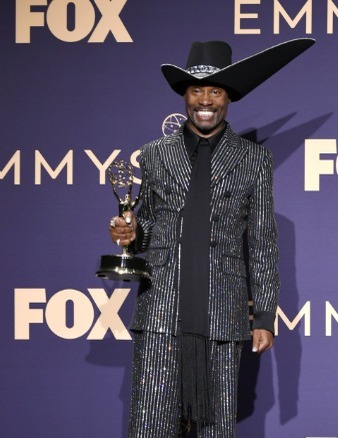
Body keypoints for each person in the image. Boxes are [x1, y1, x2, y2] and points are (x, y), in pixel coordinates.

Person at [108, 38, 314, 436]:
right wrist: (130, 233)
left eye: (215, 90)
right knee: (149, 426)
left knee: (216, 430)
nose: (205, 100)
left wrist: (265, 316)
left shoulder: (254, 159)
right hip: (161, 313)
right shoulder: (154, 154)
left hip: (223, 313)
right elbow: (148, 228)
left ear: (228, 97)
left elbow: (262, 241)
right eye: (197, 89)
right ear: (185, 95)